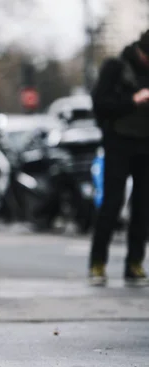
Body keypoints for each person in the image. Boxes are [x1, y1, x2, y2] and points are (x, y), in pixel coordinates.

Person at [89, 30, 149, 287]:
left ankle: (134, 264)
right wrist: (134, 100)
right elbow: (100, 103)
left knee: (143, 207)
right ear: (141, 52)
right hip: (118, 142)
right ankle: (97, 263)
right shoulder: (116, 66)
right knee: (112, 203)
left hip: (146, 145)